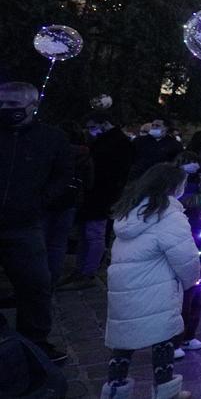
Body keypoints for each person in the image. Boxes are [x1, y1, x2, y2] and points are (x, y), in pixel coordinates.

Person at [102, 163, 201, 399]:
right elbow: (185, 257)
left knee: (124, 342)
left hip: (124, 289)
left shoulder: (130, 210)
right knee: (163, 340)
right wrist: (192, 281)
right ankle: (166, 391)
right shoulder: (169, 216)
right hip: (156, 288)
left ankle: (115, 389)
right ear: (172, 186)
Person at [0, 82, 72, 363]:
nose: (6, 110)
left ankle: (34, 344)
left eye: (13, 106)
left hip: (25, 224)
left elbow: (64, 174)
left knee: (35, 285)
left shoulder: (51, 138)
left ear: (31, 107)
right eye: (2, 104)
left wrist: (40, 201)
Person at [62, 113, 135, 291]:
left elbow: (117, 172)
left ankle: (88, 272)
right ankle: (81, 269)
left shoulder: (118, 143)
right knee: (86, 235)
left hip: (102, 195)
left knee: (94, 234)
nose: (90, 130)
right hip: (94, 193)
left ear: (105, 124)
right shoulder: (106, 140)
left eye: (92, 126)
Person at [171, 151, 201, 359]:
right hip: (186, 232)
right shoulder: (173, 186)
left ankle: (188, 335)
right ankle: (175, 340)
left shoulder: (199, 178)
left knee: (196, 294)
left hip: (198, 231)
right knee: (183, 296)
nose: (193, 165)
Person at [45, 122, 90, 288]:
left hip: (48, 201)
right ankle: (53, 279)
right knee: (58, 243)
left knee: (42, 241)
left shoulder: (53, 150)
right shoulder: (84, 155)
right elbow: (89, 180)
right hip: (70, 201)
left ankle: (40, 278)